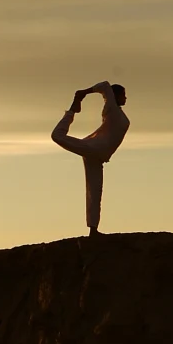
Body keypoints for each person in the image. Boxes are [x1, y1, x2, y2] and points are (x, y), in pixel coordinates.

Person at [51, 81, 129, 237]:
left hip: (98, 155)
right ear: (115, 96)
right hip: (94, 148)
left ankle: (93, 229)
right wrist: (83, 93)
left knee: (95, 191)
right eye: (123, 95)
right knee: (56, 136)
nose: (126, 98)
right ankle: (71, 111)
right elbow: (105, 85)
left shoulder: (115, 111)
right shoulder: (111, 108)